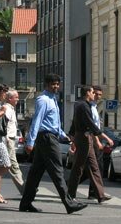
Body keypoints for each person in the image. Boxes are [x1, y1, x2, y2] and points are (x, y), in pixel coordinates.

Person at [19, 73, 87, 214]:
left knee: (35, 173)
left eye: (57, 84)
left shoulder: (53, 99)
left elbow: (53, 124)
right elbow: (37, 121)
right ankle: (69, 203)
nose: (56, 86)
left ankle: (25, 203)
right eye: (53, 84)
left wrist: (65, 136)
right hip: (47, 139)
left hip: (50, 137)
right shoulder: (43, 100)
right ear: (47, 85)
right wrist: (30, 142)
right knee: (57, 171)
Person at [67, 85, 113, 203]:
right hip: (83, 138)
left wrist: (72, 137)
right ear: (88, 93)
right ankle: (70, 194)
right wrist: (104, 136)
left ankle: (100, 195)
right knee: (78, 167)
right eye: (93, 92)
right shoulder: (83, 105)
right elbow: (90, 123)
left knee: (94, 167)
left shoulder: (83, 105)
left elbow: (75, 124)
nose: (94, 94)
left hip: (86, 138)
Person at [0, 89, 25, 194]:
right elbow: (4, 125)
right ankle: (24, 189)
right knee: (13, 165)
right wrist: (7, 138)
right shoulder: (7, 109)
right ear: (10, 98)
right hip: (8, 139)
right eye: (16, 97)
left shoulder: (10, 108)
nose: (18, 99)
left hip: (9, 139)